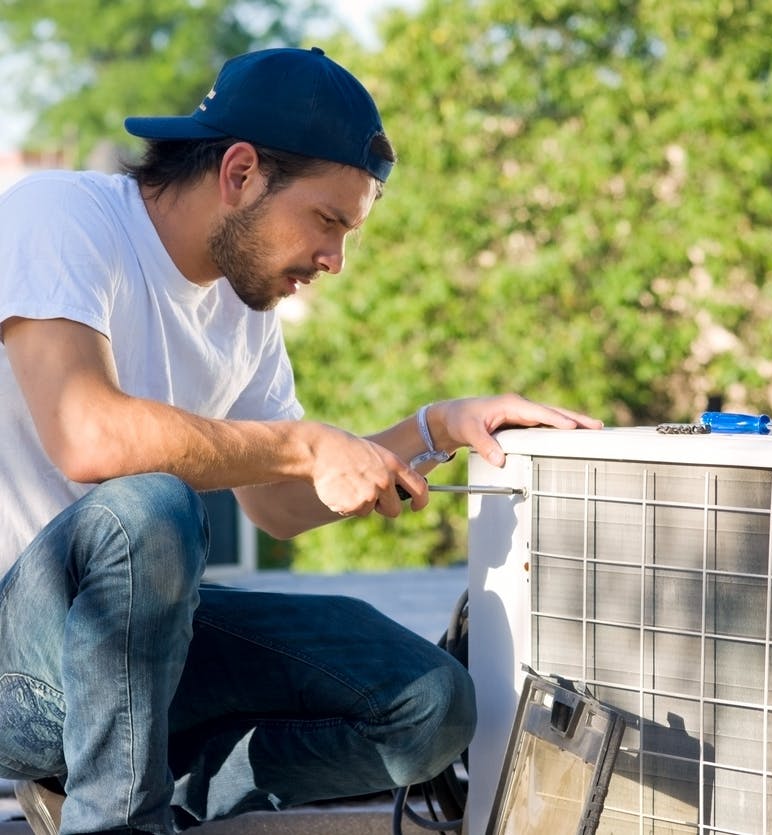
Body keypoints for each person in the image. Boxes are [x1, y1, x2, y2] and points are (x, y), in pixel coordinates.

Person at [0, 46, 602, 835]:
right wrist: (307, 443)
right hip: (17, 662)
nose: (335, 260)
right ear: (241, 172)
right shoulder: (58, 216)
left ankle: (109, 780)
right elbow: (86, 434)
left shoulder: (244, 315)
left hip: (141, 654)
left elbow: (281, 502)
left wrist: (435, 428)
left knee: (431, 701)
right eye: (327, 220)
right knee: (149, 507)